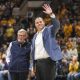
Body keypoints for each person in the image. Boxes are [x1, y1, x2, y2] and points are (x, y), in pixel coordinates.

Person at [31, 4, 62, 80]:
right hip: (38, 64)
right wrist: (33, 66)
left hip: (48, 62)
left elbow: (57, 25)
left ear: (44, 23)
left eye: (40, 21)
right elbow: (34, 52)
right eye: (37, 22)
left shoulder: (49, 30)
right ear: (35, 25)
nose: (39, 23)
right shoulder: (34, 36)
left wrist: (51, 14)